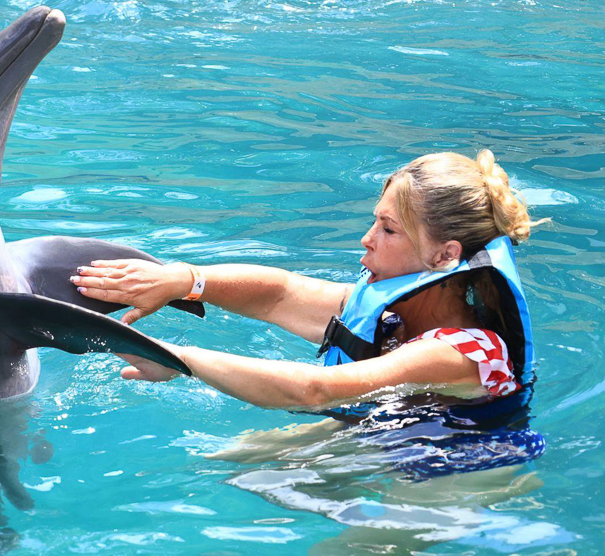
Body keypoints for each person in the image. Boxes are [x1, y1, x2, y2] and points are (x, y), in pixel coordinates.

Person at [69, 150, 546, 415]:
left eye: (389, 230)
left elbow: (316, 390)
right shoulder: (391, 312)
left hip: (447, 480)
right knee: (229, 465)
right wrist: (184, 280)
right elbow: (280, 294)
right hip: (385, 444)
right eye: (374, 222)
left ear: (445, 256)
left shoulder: (461, 350)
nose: (366, 240)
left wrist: (176, 359)